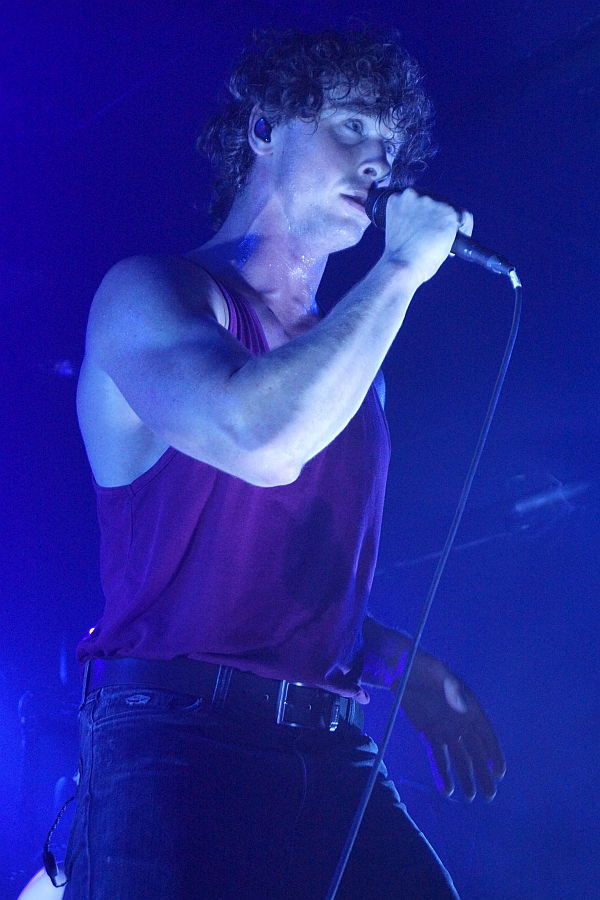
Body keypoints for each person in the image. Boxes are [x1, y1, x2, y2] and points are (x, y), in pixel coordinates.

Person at [62, 26, 506, 900]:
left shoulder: (353, 370)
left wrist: (397, 661)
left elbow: (268, 583)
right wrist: (401, 268)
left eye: (390, 147)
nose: (378, 163)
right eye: (351, 126)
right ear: (264, 127)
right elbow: (260, 443)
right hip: (178, 739)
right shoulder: (155, 293)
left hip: (331, 743)